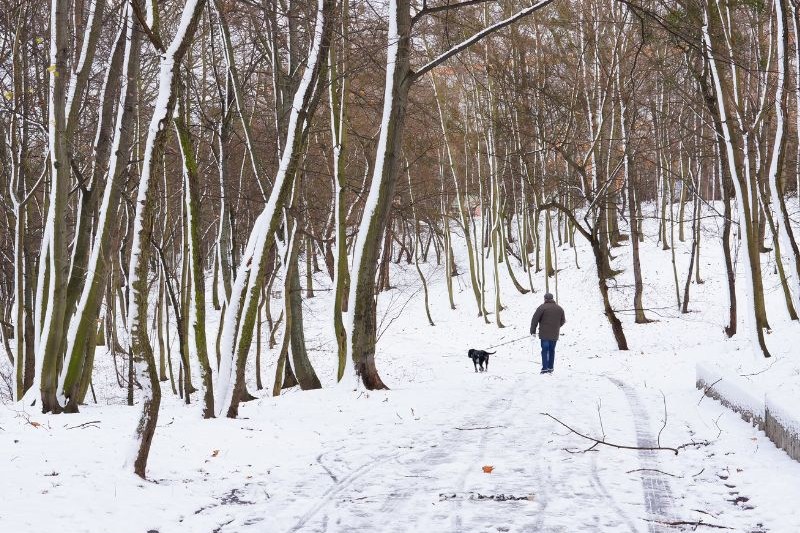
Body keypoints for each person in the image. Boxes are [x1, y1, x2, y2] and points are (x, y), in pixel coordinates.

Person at [530, 293, 565, 374]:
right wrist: (556, 327)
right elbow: (563, 321)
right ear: (552, 299)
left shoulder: (542, 307)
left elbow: (534, 320)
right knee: (552, 350)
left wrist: (533, 331)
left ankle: (545, 368)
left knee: (545, 350)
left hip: (544, 334)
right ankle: (550, 368)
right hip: (554, 334)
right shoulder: (559, 308)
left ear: (545, 299)